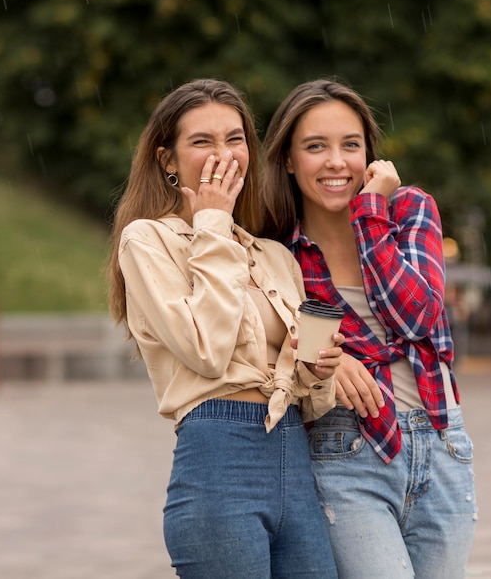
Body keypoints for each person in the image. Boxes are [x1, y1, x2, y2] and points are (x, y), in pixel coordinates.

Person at [107, 78, 343, 578]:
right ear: (167, 159)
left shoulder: (275, 256)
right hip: (218, 460)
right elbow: (207, 351)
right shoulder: (147, 241)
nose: (224, 155)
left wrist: (320, 370)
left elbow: (312, 395)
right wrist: (211, 222)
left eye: (235, 139)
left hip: (294, 461)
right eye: (202, 142)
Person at [260, 78, 477, 579]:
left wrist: (370, 215)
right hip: (347, 450)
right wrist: (337, 363)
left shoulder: (410, 211)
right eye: (316, 147)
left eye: (350, 145)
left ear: (370, 156)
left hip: (443, 441)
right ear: (290, 160)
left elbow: (417, 315)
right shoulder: (280, 254)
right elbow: (302, 349)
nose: (337, 162)